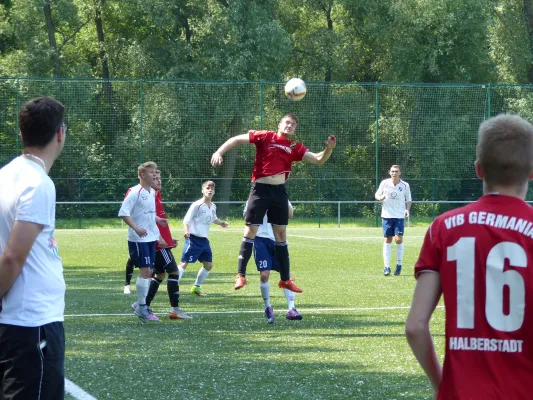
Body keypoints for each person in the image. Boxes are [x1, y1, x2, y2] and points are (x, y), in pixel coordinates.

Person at [405, 114, 533, 400]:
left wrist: (443, 385)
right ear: (532, 171)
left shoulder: (444, 227)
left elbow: (415, 326)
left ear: (478, 169)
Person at [211, 113, 336, 293]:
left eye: (293, 124)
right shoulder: (265, 136)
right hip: (260, 190)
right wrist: (219, 152)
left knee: (281, 234)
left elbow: (318, 159)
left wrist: (329, 149)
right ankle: (240, 275)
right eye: (287, 122)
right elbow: (236, 140)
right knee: (250, 231)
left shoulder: (294, 146)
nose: (289, 125)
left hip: (279, 192)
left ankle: (285, 279)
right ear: (279, 124)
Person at [0, 97, 67, 399]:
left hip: (19, 320)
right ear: (59, 134)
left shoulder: (5, 175)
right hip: (32, 322)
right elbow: (12, 256)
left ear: (21, 132)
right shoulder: (38, 183)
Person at [130, 170, 192, 320]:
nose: (159, 181)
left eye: (160, 178)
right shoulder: (148, 196)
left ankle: (142, 304)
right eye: (155, 178)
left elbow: (157, 221)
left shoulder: (155, 196)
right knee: (174, 271)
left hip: (158, 242)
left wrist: (169, 240)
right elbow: (148, 220)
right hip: (155, 244)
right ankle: (174, 308)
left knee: (160, 274)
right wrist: (160, 240)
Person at [118, 161, 164, 323]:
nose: (155, 175)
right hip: (138, 239)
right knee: (145, 272)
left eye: (155, 172)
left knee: (149, 272)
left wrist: (158, 222)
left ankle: (140, 304)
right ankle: (142, 307)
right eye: (152, 172)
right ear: (142, 175)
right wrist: (136, 228)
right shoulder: (134, 192)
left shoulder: (151, 192)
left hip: (150, 238)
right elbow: (124, 213)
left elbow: (148, 213)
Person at [244, 200, 303, 323]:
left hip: (278, 240)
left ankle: (292, 309)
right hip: (260, 240)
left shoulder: (280, 196)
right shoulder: (255, 197)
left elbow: (290, 214)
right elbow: (246, 216)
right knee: (265, 275)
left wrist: (284, 201)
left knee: (285, 274)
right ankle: (268, 307)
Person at [177, 180, 228, 296]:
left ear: (214, 191)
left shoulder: (213, 206)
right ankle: (174, 284)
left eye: (212, 188)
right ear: (202, 190)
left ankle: (196, 287)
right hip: (193, 239)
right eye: (207, 188)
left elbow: (213, 217)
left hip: (204, 241)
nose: (210, 190)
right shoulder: (197, 205)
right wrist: (186, 232)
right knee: (184, 263)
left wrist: (221, 223)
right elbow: (186, 220)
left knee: (208, 265)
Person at [374, 165, 412, 276]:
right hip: (386, 215)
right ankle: (386, 267)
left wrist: (407, 210)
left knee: (398, 239)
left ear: (400, 173)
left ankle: (399, 264)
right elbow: (377, 194)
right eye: (392, 171)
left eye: (396, 171)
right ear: (389, 172)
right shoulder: (384, 183)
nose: (394, 173)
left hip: (399, 216)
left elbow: (408, 200)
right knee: (387, 240)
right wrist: (380, 198)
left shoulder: (405, 185)